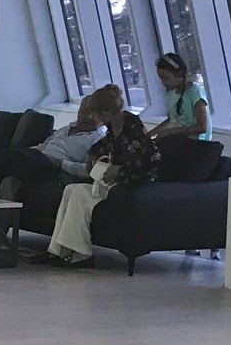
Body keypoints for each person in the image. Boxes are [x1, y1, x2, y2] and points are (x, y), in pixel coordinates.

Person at [40, 100, 157, 266]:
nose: (92, 118)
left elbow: (147, 162)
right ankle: (57, 250)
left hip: (127, 186)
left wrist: (120, 169)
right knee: (71, 189)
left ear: (106, 114)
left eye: (96, 114)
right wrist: (93, 156)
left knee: (80, 193)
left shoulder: (133, 129)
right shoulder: (113, 129)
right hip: (110, 183)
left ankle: (81, 254)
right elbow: (102, 147)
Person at [0, 86, 118, 200]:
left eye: (94, 114)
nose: (89, 117)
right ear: (79, 111)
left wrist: (60, 163)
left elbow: (88, 171)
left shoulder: (99, 139)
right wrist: (24, 154)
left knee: (10, 181)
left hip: (56, 174)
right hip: (35, 163)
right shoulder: (65, 129)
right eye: (85, 112)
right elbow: (42, 147)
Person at [149, 52, 214, 141]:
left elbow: (202, 127)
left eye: (166, 78)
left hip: (197, 144)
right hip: (180, 141)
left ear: (179, 75)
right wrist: (149, 135)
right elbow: (172, 120)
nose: (163, 82)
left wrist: (170, 132)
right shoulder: (171, 93)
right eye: (161, 78)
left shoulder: (196, 93)